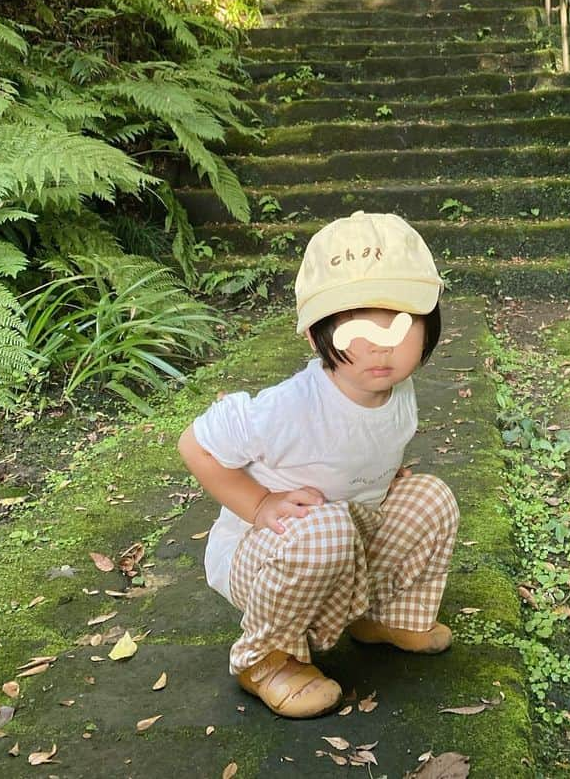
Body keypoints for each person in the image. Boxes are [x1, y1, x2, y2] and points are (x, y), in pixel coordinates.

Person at [177, 210, 460, 719]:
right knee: (324, 529)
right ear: (314, 335)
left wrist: (384, 472)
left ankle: (380, 617)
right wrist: (259, 503)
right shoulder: (289, 407)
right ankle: (265, 658)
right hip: (273, 551)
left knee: (431, 499)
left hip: (348, 528)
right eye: (354, 327)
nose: (379, 346)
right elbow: (194, 444)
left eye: (399, 324)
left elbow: (365, 442)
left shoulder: (398, 389)